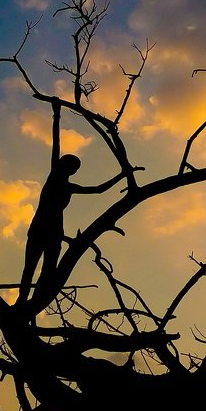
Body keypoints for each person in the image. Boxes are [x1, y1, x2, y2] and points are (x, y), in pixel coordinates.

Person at [18, 99, 123, 306]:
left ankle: (35, 300)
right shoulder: (54, 177)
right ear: (64, 165)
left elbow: (98, 190)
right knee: (30, 267)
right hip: (40, 227)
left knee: (48, 270)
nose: (72, 170)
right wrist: (56, 114)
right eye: (71, 165)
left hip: (55, 230)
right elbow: (55, 143)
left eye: (75, 167)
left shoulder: (70, 187)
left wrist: (122, 175)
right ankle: (22, 300)